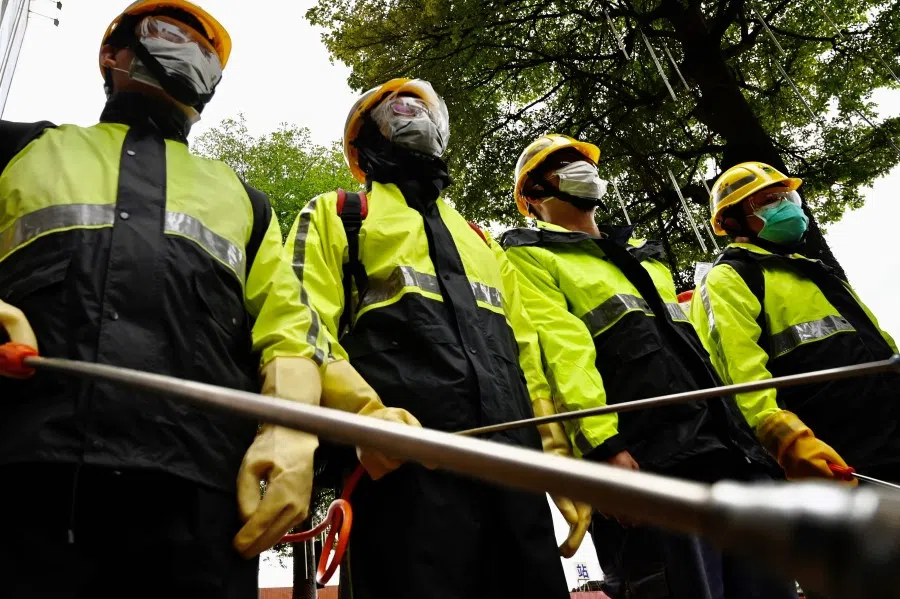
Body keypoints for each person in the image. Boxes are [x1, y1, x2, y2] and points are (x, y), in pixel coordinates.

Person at [0, 1, 329, 595]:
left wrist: (290, 432)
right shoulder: (19, 151)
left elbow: (289, 332)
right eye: (168, 36)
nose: (189, 58)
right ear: (111, 55)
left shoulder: (245, 200)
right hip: (24, 479)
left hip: (199, 501)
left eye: (206, 54)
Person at [285, 78, 579, 599]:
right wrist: (363, 417)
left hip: (515, 474)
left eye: (423, 108)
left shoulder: (481, 240)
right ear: (364, 144)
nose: (412, 116)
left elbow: (525, 350)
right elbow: (302, 328)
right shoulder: (340, 215)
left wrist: (554, 452)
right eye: (395, 111)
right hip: (403, 474)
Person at [500, 134, 797, 599]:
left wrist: (753, 440)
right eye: (563, 164)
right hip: (647, 462)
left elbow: (701, 353)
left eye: (583, 160)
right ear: (533, 196)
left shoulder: (643, 255)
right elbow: (562, 357)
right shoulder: (529, 255)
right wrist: (603, 451)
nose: (582, 169)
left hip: (727, 451)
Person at [691, 161, 899, 485]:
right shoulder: (730, 277)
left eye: (789, 198)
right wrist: (785, 439)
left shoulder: (817, 271)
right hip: (836, 453)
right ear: (732, 220)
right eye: (767, 201)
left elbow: (879, 342)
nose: (786, 207)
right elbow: (738, 372)